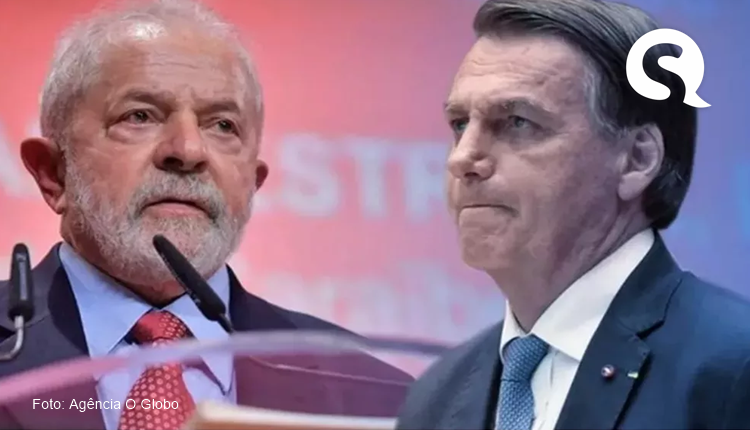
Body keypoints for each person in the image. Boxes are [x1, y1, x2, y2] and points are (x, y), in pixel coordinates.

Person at [0, 0, 411, 429]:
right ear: (54, 173)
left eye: (222, 125)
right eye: (140, 116)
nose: (188, 150)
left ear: (252, 183)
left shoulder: (369, 391)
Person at [396, 0, 750, 429]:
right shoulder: (437, 395)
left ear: (637, 159)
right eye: (459, 124)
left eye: (517, 122)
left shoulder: (734, 368)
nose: (462, 158)